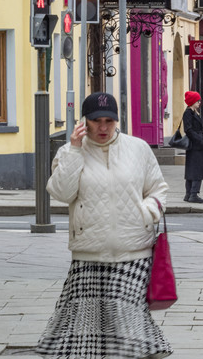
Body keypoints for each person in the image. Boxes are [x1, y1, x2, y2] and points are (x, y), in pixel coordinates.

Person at [36, 92, 172, 358]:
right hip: (89, 253)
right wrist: (75, 151)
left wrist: (146, 213)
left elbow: (158, 188)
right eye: (96, 121)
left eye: (109, 120)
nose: (103, 127)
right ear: (84, 122)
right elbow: (61, 193)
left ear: (116, 120)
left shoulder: (138, 149)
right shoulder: (68, 152)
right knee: (86, 328)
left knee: (126, 319)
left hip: (134, 251)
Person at [183, 91, 203, 203]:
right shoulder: (188, 113)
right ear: (192, 102)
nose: (200, 102)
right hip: (195, 146)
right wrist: (199, 139)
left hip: (197, 146)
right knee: (197, 170)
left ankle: (188, 194)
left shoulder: (194, 112)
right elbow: (188, 129)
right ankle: (194, 194)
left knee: (192, 170)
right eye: (197, 101)